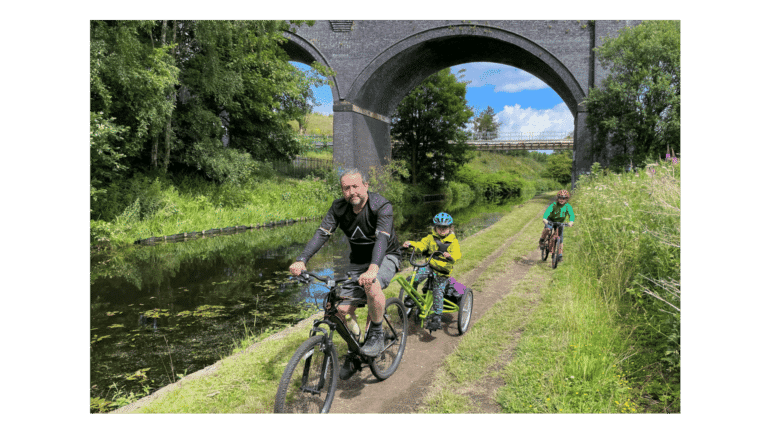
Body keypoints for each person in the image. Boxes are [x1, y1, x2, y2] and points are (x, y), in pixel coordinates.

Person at [289, 168, 401, 379]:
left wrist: (373, 268)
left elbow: (382, 240)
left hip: (386, 255)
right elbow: (322, 234)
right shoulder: (339, 208)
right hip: (358, 262)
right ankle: (355, 351)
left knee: (372, 284)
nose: (351, 192)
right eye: (346, 188)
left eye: (355, 186)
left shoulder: (381, 206)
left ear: (365, 186)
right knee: (339, 311)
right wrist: (302, 259)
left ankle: (376, 333)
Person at [402, 212, 462, 332]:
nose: (442, 230)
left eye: (445, 228)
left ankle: (436, 317)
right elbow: (421, 245)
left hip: (443, 271)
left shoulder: (453, 241)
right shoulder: (430, 238)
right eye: (439, 228)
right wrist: (410, 244)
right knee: (413, 278)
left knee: (438, 292)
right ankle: (411, 297)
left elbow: (457, 254)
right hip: (429, 266)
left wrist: (451, 256)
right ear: (435, 228)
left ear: (450, 228)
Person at [539, 190, 575, 262]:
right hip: (551, 220)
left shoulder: (568, 206)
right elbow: (547, 212)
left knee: (560, 239)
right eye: (560, 198)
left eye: (564, 198)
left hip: (560, 222)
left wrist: (571, 222)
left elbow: (571, 214)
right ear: (557, 198)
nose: (562, 200)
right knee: (548, 229)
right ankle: (542, 240)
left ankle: (560, 255)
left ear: (566, 199)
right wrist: (545, 219)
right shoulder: (554, 205)